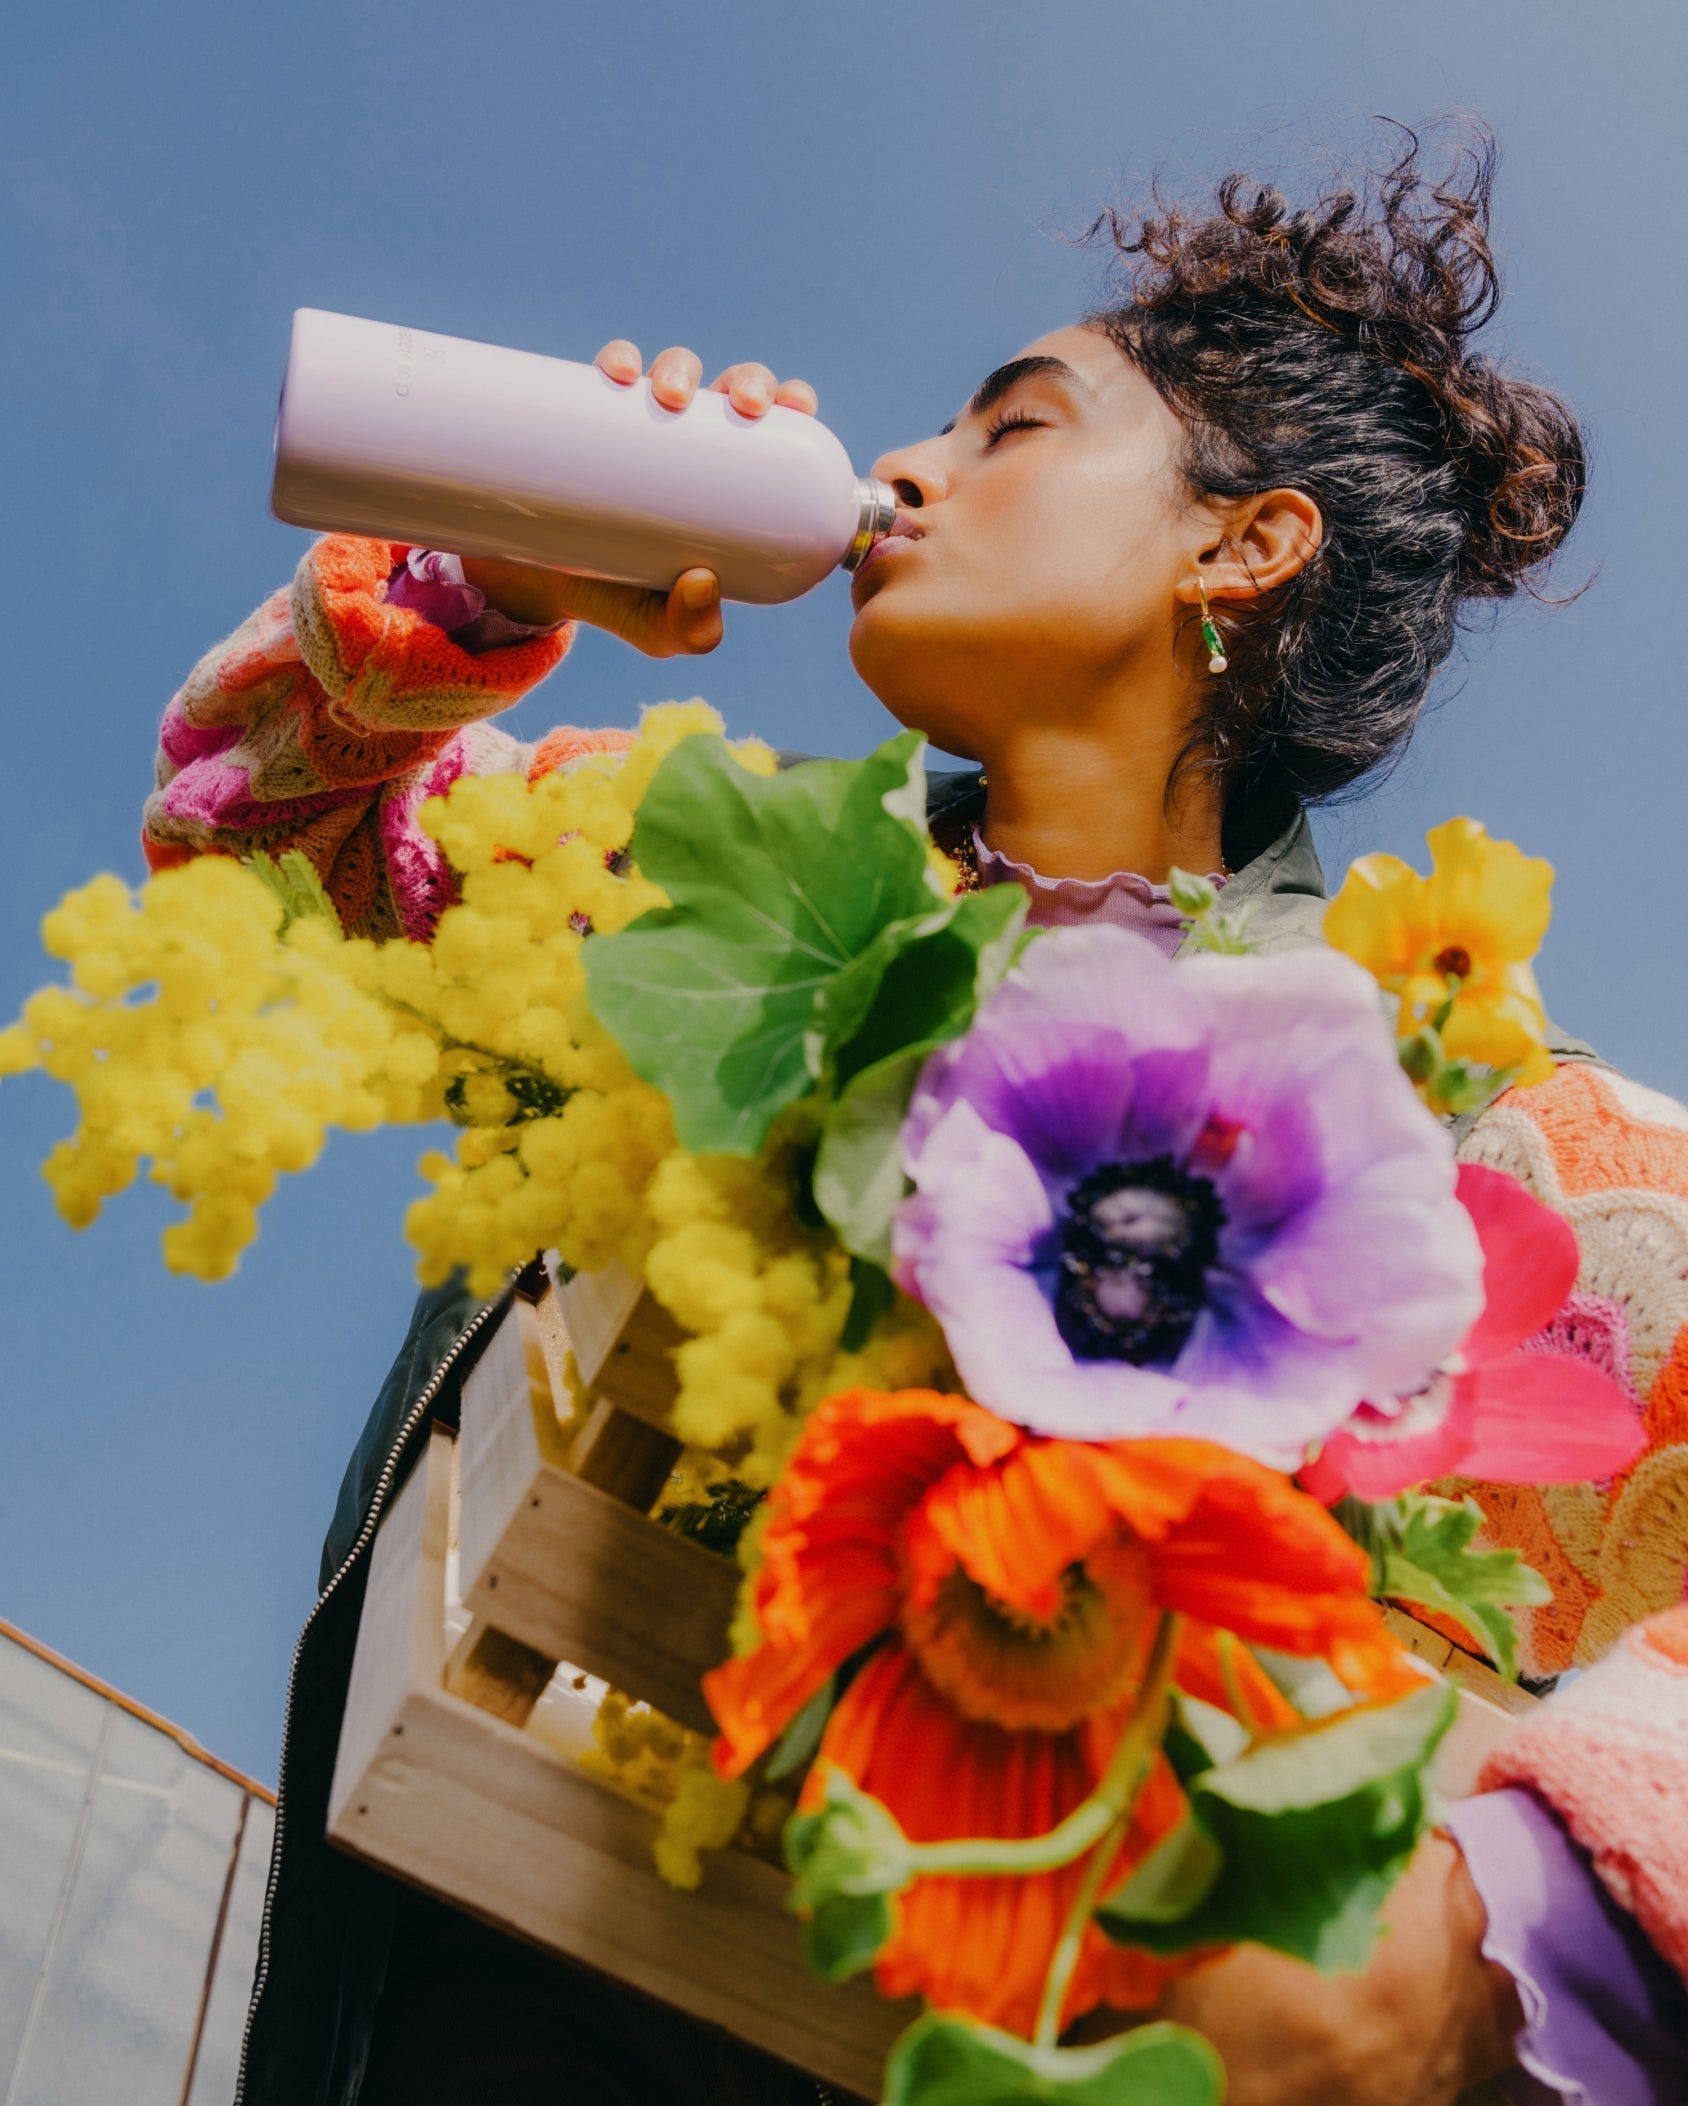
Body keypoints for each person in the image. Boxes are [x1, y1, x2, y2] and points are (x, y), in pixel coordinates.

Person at [145, 128, 1688, 2105]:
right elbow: (246, 894)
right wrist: (475, 593)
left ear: (1242, 546)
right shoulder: (684, 865)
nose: (900, 469)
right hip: (481, 1964)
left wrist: (1520, 1934)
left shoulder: (1484, 1126)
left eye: (1011, 429)